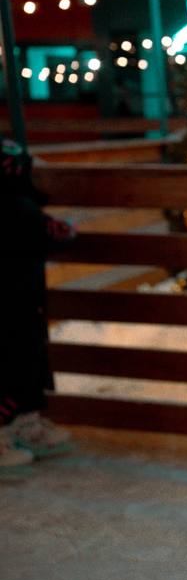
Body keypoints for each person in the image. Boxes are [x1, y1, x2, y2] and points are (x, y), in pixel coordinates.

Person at [1, 136, 75, 470]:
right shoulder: (15, 207)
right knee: (15, 356)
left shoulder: (18, 204)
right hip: (15, 294)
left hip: (20, 293)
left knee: (24, 354)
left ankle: (23, 420)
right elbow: (50, 230)